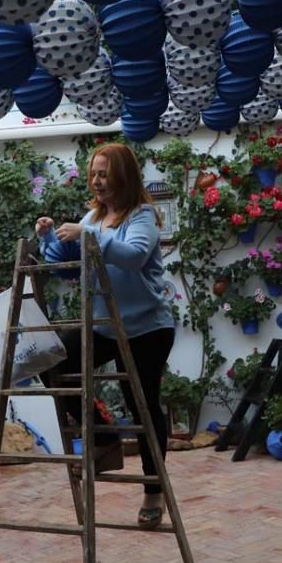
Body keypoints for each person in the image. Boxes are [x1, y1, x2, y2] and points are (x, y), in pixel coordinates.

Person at [36, 142, 176, 529]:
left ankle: (153, 489)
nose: (96, 181)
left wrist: (87, 235)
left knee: (142, 405)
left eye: (103, 174)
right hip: (104, 327)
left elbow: (132, 255)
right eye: (93, 174)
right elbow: (67, 269)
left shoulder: (142, 215)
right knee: (50, 359)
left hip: (147, 329)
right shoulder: (93, 218)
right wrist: (50, 239)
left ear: (123, 176)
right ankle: (104, 436)